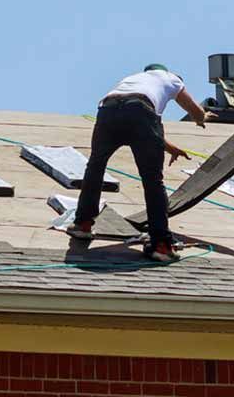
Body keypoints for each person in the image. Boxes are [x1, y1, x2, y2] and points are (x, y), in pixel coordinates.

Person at [69, 63, 207, 262]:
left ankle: (83, 224)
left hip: (108, 110)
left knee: (95, 166)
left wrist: (170, 148)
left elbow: (134, 120)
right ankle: (161, 244)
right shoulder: (171, 78)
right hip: (141, 113)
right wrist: (202, 117)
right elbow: (193, 111)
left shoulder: (133, 80)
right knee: (153, 180)